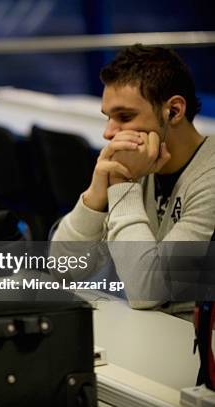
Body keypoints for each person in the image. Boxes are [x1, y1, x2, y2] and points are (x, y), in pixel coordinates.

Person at [51, 44, 215, 316]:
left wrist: (123, 187)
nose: (108, 132)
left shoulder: (208, 178)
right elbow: (64, 269)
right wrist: (95, 196)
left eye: (124, 117)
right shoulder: (137, 163)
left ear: (173, 111)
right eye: (108, 118)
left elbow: (148, 293)